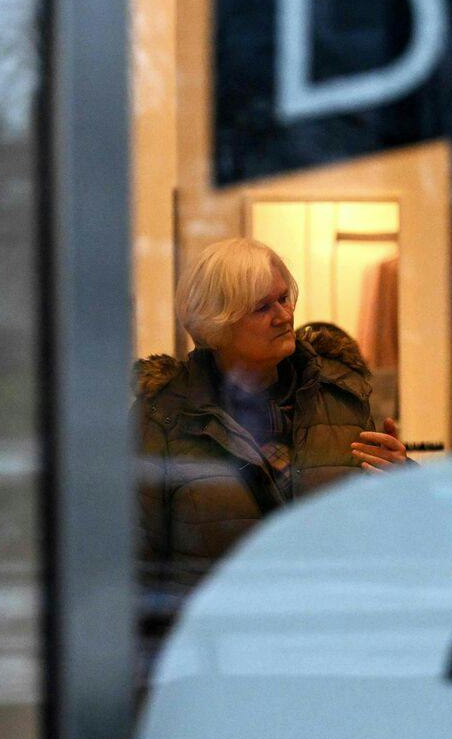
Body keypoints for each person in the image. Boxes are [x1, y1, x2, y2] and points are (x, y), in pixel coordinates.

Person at [133, 237, 409, 598]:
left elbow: (385, 535)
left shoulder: (340, 395)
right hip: (216, 643)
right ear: (217, 324)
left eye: (283, 297)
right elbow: (134, 565)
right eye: (263, 308)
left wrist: (403, 483)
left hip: (326, 633)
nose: (285, 315)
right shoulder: (164, 416)